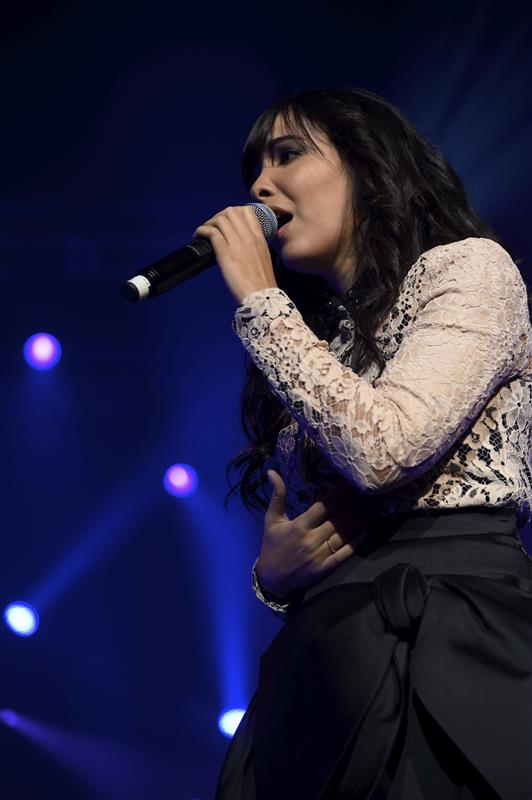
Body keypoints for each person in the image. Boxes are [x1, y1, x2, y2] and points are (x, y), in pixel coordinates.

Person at [194, 87, 532, 799]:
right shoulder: (319, 334)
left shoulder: (470, 270)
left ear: (367, 164)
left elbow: (384, 449)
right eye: (253, 170)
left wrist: (260, 301)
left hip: (450, 636)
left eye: (287, 155)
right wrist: (274, 578)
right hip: (329, 661)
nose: (259, 187)